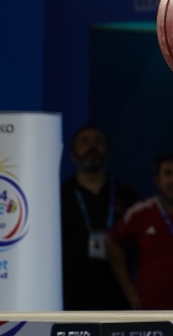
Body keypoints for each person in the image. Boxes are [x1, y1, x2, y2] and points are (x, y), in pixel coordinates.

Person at [108, 151, 173, 310]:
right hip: (151, 310)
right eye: (167, 174)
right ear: (157, 180)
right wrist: (129, 290)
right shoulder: (140, 213)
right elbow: (112, 242)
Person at [60, 124, 141, 310]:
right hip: (71, 298)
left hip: (120, 297)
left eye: (98, 142)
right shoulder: (58, 197)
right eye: (84, 142)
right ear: (73, 155)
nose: (92, 147)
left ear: (109, 153)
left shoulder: (128, 196)